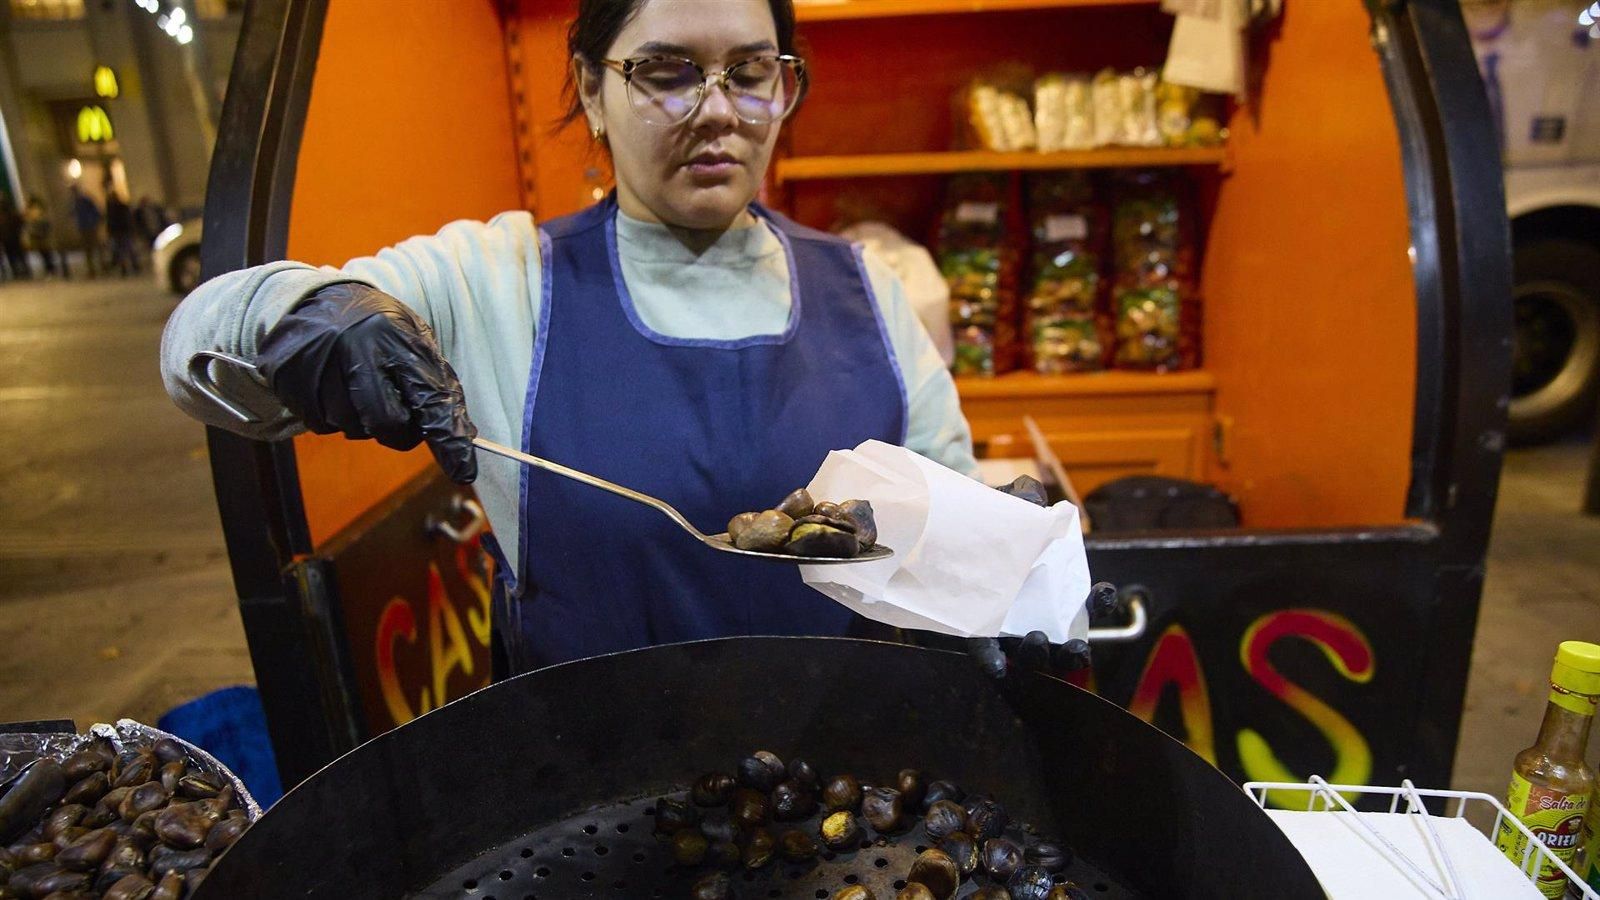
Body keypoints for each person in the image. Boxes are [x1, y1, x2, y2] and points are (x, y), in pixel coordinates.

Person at [163, 0, 1095, 679]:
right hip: (583, 793)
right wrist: (312, 323)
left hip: (838, 795)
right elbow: (200, 340)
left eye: (753, 71)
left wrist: (1006, 546)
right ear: (591, 89)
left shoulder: (872, 293)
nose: (720, 110)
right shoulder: (501, 281)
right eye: (668, 71)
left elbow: (950, 518)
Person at [22, 196, 65, 279]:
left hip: (41, 237)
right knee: (44, 255)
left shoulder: (38, 213)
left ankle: (52, 270)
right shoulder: (31, 212)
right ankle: (51, 270)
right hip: (37, 237)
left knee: (47, 255)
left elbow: (43, 224)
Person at [70, 184, 103, 278]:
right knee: (88, 250)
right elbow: (72, 213)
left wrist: (94, 222)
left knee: (96, 247)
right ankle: (92, 270)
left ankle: (102, 266)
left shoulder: (85, 200)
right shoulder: (75, 202)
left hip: (90, 227)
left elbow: (96, 211)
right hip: (83, 228)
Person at [105, 190, 140, 276]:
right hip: (118, 231)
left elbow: (128, 219)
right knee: (122, 250)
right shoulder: (112, 209)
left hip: (123, 231)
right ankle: (126, 267)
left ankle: (133, 266)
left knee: (128, 249)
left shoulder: (121, 207)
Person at [0, 193, 29, 280]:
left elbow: (20, 223)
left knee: (16, 256)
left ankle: (21, 271)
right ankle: (18, 271)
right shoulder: (11, 215)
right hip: (9, 238)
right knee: (14, 256)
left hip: (12, 238)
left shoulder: (11, 215)